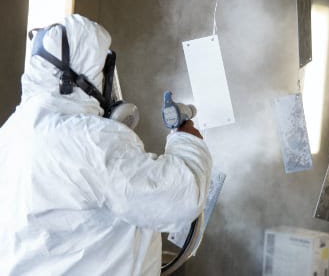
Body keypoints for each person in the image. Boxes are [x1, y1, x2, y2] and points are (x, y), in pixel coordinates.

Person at [0, 14, 212, 275]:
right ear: (77, 77)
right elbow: (180, 198)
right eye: (102, 72)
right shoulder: (89, 139)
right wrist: (187, 139)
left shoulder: (11, 133)